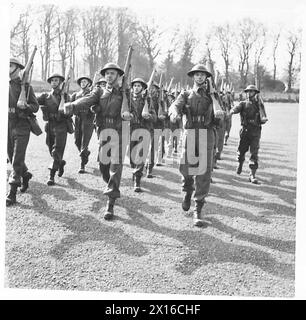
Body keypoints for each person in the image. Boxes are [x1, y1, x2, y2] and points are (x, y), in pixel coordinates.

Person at [63, 62, 126, 220]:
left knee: (115, 166)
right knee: (103, 165)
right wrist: (72, 105)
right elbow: (86, 100)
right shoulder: (99, 91)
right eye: (107, 73)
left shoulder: (126, 92)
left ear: (118, 76)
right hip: (104, 131)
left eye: (113, 73)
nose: (109, 76)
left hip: (120, 132)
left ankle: (110, 202)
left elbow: (133, 108)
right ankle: (110, 183)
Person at [169, 64, 216, 227]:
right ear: (193, 77)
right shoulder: (186, 94)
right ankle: (188, 190)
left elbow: (222, 113)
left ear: (206, 77)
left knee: (203, 172)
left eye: (203, 75)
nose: (200, 77)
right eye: (197, 75)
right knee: (186, 167)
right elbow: (175, 105)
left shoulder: (213, 96)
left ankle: (198, 208)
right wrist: (174, 113)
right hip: (190, 133)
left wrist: (217, 103)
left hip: (206, 134)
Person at [7, 58, 39, 206]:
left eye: (11, 65)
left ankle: (12, 192)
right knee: (10, 154)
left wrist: (25, 106)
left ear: (18, 69)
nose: (7, 68)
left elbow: (35, 106)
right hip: (8, 124)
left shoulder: (26, 86)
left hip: (21, 125)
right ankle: (25, 175)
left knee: (17, 158)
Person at [37, 73, 73, 186]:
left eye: (56, 80)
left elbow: (71, 113)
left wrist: (65, 110)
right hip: (50, 125)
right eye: (52, 81)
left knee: (57, 149)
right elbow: (34, 101)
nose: (54, 82)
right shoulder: (45, 96)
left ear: (61, 82)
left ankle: (51, 175)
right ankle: (60, 163)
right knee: (50, 147)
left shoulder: (66, 96)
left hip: (61, 125)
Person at [230, 84, 265, 184]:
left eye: (252, 91)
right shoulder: (243, 103)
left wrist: (262, 114)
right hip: (245, 130)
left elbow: (264, 117)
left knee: (254, 153)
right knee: (241, 151)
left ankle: (252, 175)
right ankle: (240, 164)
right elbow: (236, 109)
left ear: (255, 93)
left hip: (256, 131)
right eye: (248, 91)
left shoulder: (259, 104)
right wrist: (232, 111)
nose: (250, 93)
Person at [129, 78, 157, 192]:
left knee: (140, 155)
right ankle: (135, 170)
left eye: (139, 86)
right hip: (132, 129)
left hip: (144, 129)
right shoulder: (128, 100)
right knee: (132, 156)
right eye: (135, 85)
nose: (136, 87)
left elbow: (154, 117)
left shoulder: (148, 101)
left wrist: (148, 116)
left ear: (143, 88)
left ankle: (137, 180)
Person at [70, 76, 95, 173]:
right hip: (78, 119)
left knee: (84, 143)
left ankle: (82, 164)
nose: (83, 83)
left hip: (88, 119)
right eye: (81, 82)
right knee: (77, 141)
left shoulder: (92, 94)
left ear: (89, 83)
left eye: (85, 81)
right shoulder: (76, 95)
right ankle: (85, 153)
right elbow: (70, 104)